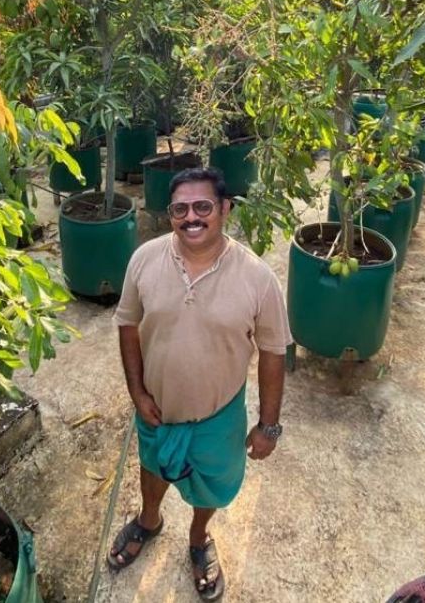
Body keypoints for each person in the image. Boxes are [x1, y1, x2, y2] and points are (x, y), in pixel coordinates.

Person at [109, 167, 292, 600]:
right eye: (180, 208)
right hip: (156, 408)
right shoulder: (145, 259)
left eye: (203, 206)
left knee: (211, 484)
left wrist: (268, 425)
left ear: (225, 209)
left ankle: (198, 538)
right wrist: (137, 392)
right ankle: (149, 521)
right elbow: (127, 325)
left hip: (218, 416)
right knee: (152, 468)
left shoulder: (256, 277)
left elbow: (273, 352)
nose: (191, 217)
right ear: (169, 214)